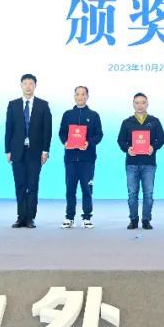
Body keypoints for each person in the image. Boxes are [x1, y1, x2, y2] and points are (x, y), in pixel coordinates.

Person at [4, 73, 52, 228]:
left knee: (32, 185)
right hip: (17, 151)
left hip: (35, 152)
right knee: (20, 185)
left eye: (31, 83)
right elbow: (9, 128)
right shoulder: (13, 105)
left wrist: (45, 150)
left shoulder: (43, 105)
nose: (28, 86)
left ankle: (30, 218)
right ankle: (21, 217)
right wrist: (7, 150)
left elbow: (47, 130)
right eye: (25, 83)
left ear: (35, 86)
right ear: (21, 85)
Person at [116, 92, 164, 230]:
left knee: (148, 194)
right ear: (133, 104)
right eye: (137, 103)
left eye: (143, 102)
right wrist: (127, 148)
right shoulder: (127, 122)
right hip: (131, 163)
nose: (140, 105)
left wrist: (153, 147)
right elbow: (120, 140)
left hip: (149, 163)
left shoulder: (154, 121)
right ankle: (133, 220)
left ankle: (146, 220)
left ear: (147, 104)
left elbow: (162, 138)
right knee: (132, 194)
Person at [58, 85, 103, 229]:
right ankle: (69, 217)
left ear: (87, 96)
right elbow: (62, 133)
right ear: (74, 96)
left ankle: (87, 217)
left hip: (87, 159)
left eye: (83, 94)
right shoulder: (67, 115)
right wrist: (65, 142)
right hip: (71, 159)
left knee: (87, 189)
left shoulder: (94, 115)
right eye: (77, 94)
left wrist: (88, 143)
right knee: (70, 189)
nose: (80, 97)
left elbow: (99, 134)